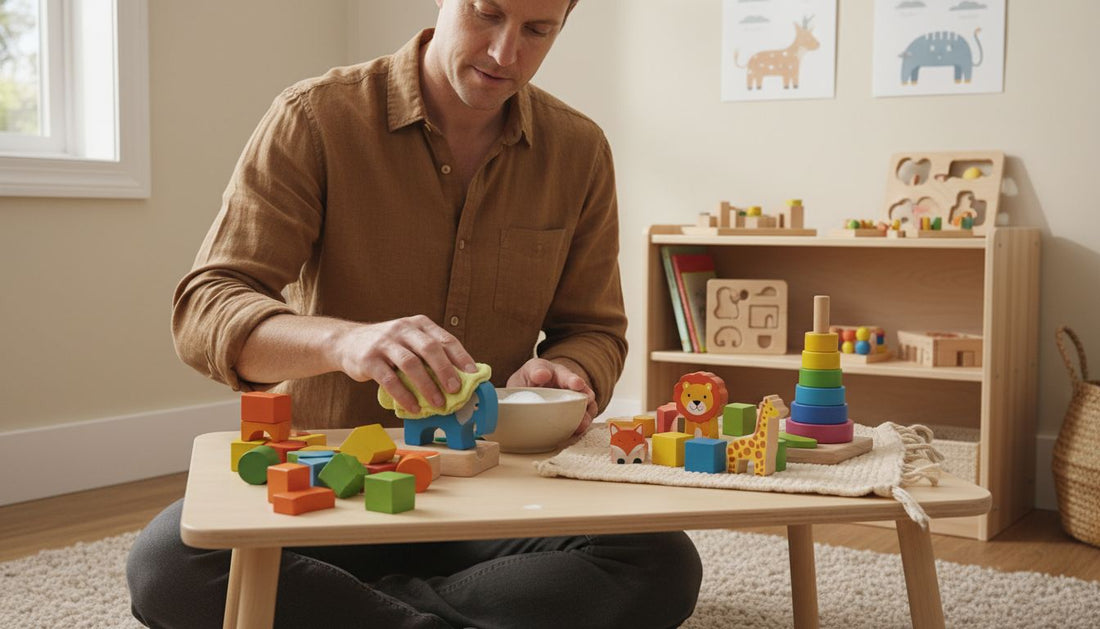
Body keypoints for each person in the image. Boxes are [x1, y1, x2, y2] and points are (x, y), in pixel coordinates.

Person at [127, 1, 702, 627]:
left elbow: (593, 330)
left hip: (495, 491)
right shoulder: (315, 117)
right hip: (329, 487)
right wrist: (344, 343)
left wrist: (568, 369)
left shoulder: (579, 149)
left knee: (659, 562)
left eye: (538, 30)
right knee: (170, 567)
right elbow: (208, 305)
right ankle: (457, 607)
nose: (505, 53)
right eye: (487, 13)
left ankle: (355, 608)